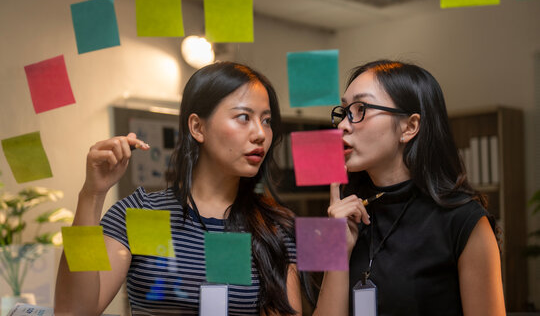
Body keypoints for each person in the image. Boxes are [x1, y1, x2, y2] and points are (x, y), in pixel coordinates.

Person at [54, 62, 303, 316]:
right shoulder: (144, 216)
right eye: (243, 117)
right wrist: (92, 194)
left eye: (267, 120)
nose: (260, 133)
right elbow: (73, 312)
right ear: (197, 127)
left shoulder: (273, 226)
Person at [324, 60, 506, 315]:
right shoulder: (340, 212)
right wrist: (335, 249)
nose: (342, 125)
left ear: (409, 127)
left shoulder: (466, 221)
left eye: (360, 108)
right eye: (344, 111)